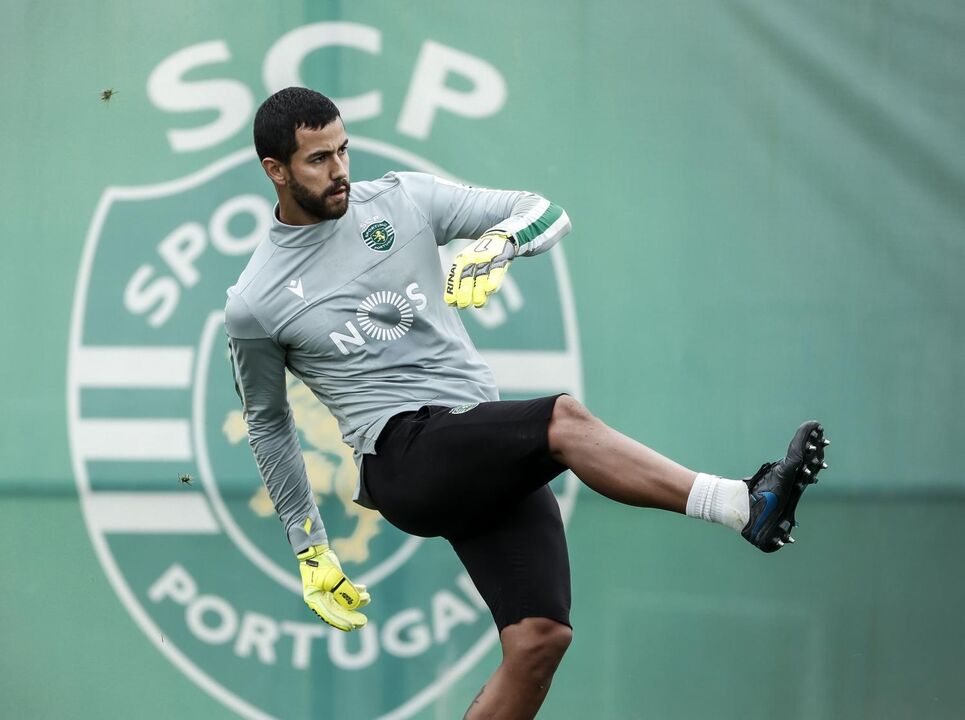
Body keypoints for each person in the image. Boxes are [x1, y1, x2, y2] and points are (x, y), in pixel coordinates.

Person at [225, 87, 830, 720]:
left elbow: (542, 210)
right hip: (403, 457)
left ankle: (743, 508)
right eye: (319, 159)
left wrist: (500, 244)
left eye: (344, 149)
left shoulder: (400, 199)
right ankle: (741, 505)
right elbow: (268, 426)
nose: (340, 169)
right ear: (276, 170)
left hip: (467, 441)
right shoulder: (255, 300)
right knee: (563, 420)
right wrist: (311, 549)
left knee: (541, 639)